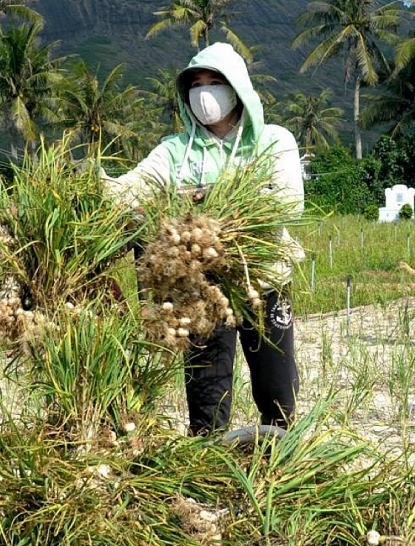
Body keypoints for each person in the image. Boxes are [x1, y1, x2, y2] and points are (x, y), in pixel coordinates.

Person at [105, 42, 304, 435]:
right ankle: (207, 463)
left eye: (214, 82)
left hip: (263, 279)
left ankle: (283, 456)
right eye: (195, 84)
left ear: (236, 88)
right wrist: (94, 190)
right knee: (207, 391)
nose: (204, 92)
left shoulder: (273, 141)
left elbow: (287, 203)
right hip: (202, 290)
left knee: (277, 385)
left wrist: (204, 203)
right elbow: (134, 187)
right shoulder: (176, 151)